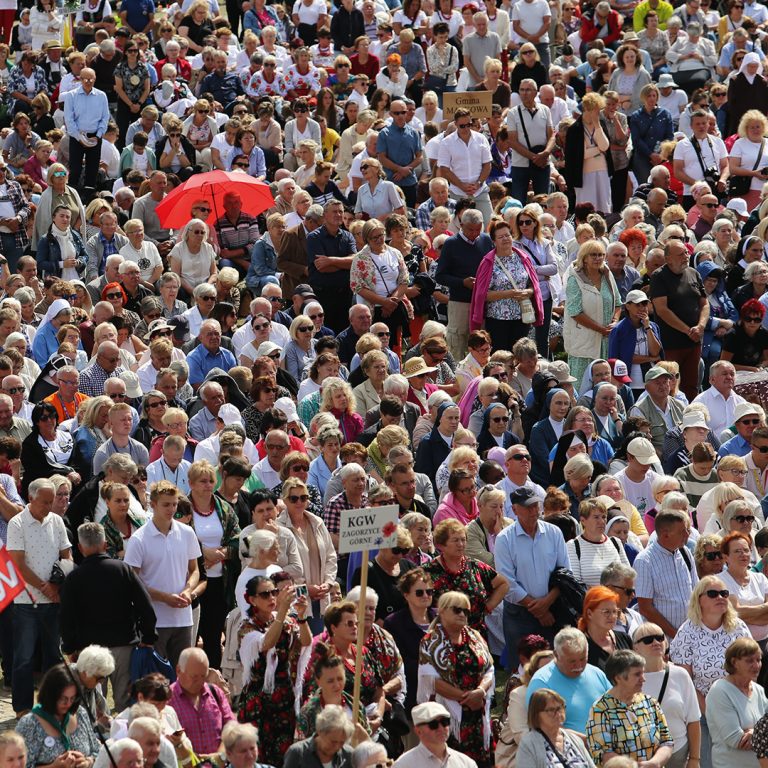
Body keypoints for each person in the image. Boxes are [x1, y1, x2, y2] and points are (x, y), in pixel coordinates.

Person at [60, 521, 156, 711]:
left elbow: (66, 616)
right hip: (124, 644)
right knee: (126, 702)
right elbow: (145, 605)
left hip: (90, 648)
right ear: (105, 545)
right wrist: (148, 636)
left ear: (80, 547)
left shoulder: (73, 578)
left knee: (94, 702)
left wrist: (70, 647)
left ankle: (98, 737)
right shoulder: (123, 570)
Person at [6, 478, 71, 717]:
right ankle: (22, 708)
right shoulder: (17, 523)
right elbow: (18, 563)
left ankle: (52, 705)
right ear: (31, 498)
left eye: (51, 501)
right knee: (23, 657)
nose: (48, 505)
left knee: (54, 657)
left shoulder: (57, 521)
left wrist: (57, 583)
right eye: (44, 501)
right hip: (26, 601)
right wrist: (45, 587)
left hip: (52, 601)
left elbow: (67, 554)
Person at [123, 481, 200, 667]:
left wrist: (189, 591)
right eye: (166, 504)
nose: (171, 509)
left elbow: (195, 570)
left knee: (183, 676)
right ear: (153, 504)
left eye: (174, 504)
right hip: (154, 621)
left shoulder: (187, 533)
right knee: (156, 682)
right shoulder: (139, 539)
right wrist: (164, 598)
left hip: (183, 619)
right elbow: (131, 583)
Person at [238, 575, 311, 765]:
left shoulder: (286, 621)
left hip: (284, 700)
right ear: (252, 599)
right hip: (258, 702)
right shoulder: (247, 627)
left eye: (274, 592)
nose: (271, 598)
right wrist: (282, 613)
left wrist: (302, 617)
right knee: (259, 757)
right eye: (265, 594)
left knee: (284, 757)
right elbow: (266, 643)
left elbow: (306, 641)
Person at [416, 591, 494, 767]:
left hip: (477, 713)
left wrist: (480, 692)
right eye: (457, 610)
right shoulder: (430, 640)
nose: (462, 614)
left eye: (466, 611)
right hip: (448, 715)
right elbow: (431, 680)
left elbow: (490, 668)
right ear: (442, 611)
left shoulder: (475, 636)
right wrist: (466, 697)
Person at [495, 487, 569, 667]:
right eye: (528, 507)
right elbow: (507, 582)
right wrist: (539, 609)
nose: (534, 511)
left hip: (552, 610)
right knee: (520, 668)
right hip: (519, 615)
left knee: (553, 666)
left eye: (536, 505)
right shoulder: (504, 539)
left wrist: (547, 603)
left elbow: (565, 573)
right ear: (514, 510)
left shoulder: (554, 533)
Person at [632, 622, 702, 768]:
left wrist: (695, 759)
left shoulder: (680, 674)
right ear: (636, 648)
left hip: (679, 754)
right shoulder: (629, 678)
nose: (656, 642)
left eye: (659, 638)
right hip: (643, 757)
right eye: (648, 640)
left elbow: (693, 720)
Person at [586, 649, 673, 765]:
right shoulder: (601, 710)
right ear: (618, 678)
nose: (643, 679)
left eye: (643, 673)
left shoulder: (650, 702)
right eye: (637, 674)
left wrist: (655, 763)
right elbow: (602, 753)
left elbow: (666, 741)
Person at [469, 219, 543, 353]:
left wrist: (528, 292)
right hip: (498, 319)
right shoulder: (488, 262)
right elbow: (482, 295)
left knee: (519, 356)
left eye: (507, 235)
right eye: (500, 237)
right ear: (494, 241)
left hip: (522, 317)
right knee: (500, 356)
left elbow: (533, 285)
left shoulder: (523, 258)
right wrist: (509, 293)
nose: (505, 239)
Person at [526, 627, 611, 733]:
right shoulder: (541, 682)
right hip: (568, 747)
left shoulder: (596, 673)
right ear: (556, 655)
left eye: (582, 659)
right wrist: (584, 741)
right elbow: (542, 726)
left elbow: (616, 704)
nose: (579, 666)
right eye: (572, 661)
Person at [564, 239, 622, 386]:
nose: (598, 258)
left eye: (601, 255)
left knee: (604, 385)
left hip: (606, 341)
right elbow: (575, 312)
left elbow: (618, 303)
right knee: (581, 385)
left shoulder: (607, 275)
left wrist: (614, 321)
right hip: (583, 341)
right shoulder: (574, 279)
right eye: (593, 255)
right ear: (584, 257)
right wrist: (601, 329)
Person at [16, 664, 100, 765]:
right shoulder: (29, 724)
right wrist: (52, 767)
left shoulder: (80, 713)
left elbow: (97, 751)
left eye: (72, 698)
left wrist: (88, 762)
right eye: (63, 698)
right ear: (50, 695)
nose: (68, 704)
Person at [705, 637, 767, 768]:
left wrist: (752, 732)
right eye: (749, 661)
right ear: (734, 662)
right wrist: (761, 733)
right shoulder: (720, 691)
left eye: (758, 660)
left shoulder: (759, 690)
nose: (756, 665)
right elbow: (737, 740)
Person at [170, 647, 235, 759]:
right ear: (179, 671)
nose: (200, 682)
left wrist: (219, 756)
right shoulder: (167, 700)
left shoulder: (215, 692)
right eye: (194, 677)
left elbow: (232, 727)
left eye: (203, 676)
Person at [517, 688, 597, 768]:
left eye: (560, 708)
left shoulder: (574, 739)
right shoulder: (529, 744)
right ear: (537, 715)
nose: (558, 714)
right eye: (551, 710)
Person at [564, 93, 613, 214]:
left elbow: (605, 146)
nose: (598, 113)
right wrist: (598, 150)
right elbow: (580, 154)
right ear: (588, 109)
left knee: (604, 206)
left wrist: (597, 126)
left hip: (602, 171)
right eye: (596, 111)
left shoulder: (600, 124)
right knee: (587, 207)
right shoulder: (575, 129)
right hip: (584, 174)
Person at [63, 67, 110, 191]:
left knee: (93, 169)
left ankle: (89, 195)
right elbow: (69, 119)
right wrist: (79, 138)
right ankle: (73, 192)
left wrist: (98, 135)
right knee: (75, 169)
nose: (87, 81)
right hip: (77, 136)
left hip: (95, 136)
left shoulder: (101, 96)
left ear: (94, 79)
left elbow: (105, 117)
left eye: (90, 79)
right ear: (80, 79)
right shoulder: (71, 96)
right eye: (84, 79)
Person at [568, 499, 630, 587]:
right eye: (596, 517)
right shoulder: (573, 546)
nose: (601, 521)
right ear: (583, 520)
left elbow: (628, 576)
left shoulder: (616, 542)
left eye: (604, 517)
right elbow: (576, 584)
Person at [283, 705, 354, 768]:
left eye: (342, 742)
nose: (337, 747)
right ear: (320, 732)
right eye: (333, 742)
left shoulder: (348, 755)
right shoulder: (298, 753)